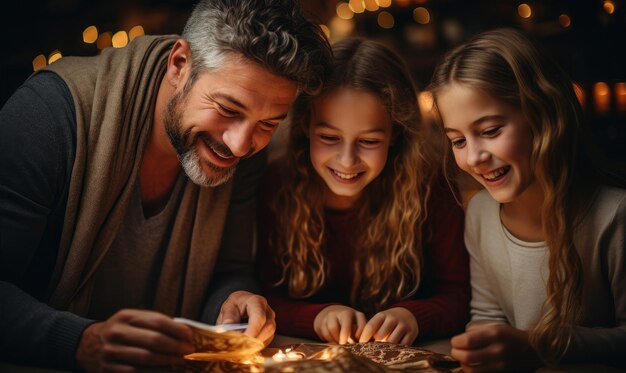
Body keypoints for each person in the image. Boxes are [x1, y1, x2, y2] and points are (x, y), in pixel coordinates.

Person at [0, 0, 332, 371]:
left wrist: (234, 298)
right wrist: (80, 341)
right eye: (227, 109)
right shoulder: (48, 115)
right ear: (179, 64)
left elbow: (228, 267)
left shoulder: (244, 152)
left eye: (269, 123)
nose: (241, 144)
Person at [429, 28, 626, 371]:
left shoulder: (615, 215)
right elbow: (487, 315)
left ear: (544, 115)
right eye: (458, 141)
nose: (473, 157)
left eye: (490, 131)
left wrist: (542, 347)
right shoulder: (479, 212)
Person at [256, 38, 470, 347]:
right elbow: (262, 296)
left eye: (368, 141)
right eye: (329, 137)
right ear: (305, 125)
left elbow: (461, 294)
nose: (347, 160)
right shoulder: (277, 185)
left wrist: (414, 316)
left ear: (395, 132)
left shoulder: (429, 186)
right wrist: (317, 317)